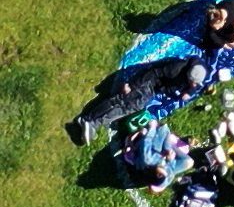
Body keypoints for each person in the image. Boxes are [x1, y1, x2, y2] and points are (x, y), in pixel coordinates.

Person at [65, 58, 208, 146]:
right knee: (122, 103)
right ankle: (90, 121)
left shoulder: (199, 69)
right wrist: (132, 85)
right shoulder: (175, 69)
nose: (194, 86)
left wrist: (188, 92)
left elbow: (194, 86)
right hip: (146, 85)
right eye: (192, 83)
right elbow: (153, 73)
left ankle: (91, 121)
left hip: (153, 89)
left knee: (128, 107)